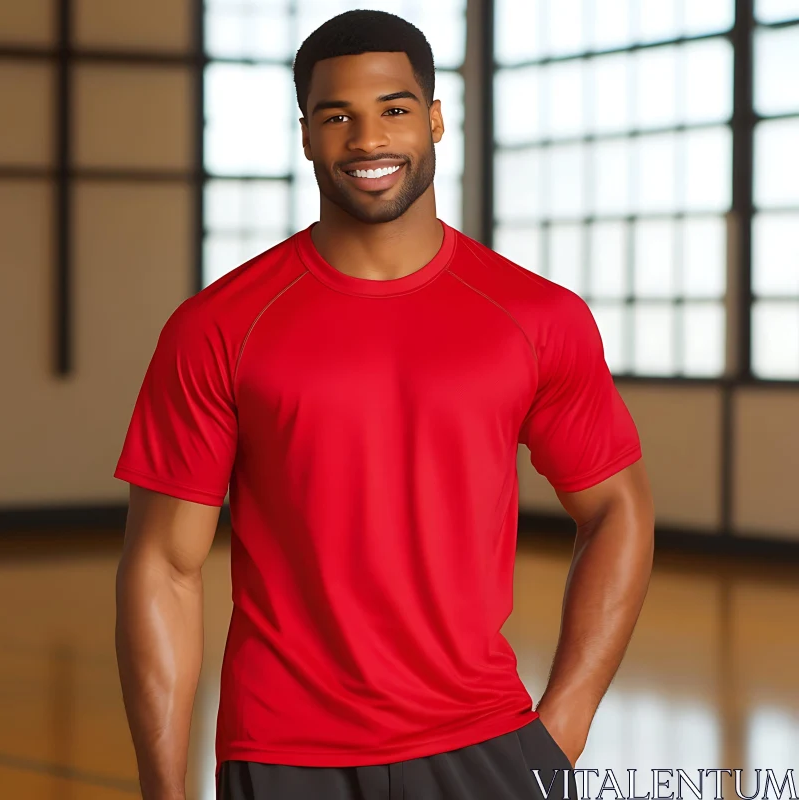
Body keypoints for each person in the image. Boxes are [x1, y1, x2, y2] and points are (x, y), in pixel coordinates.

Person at [114, 9, 655, 800]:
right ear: (306, 135)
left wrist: (563, 724)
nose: (368, 140)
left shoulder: (537, 317)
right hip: (284, 753)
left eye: (395, 110)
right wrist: (163, 793)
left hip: (488, 744)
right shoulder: (219, 327)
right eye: (338, 117)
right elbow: (163, 566)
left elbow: (616, 506)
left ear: (434, 119)